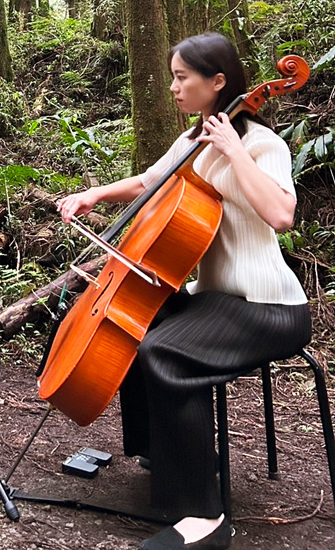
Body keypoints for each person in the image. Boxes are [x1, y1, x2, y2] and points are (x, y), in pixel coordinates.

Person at [56, 33, 310, 550]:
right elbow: (151, 180)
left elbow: (281, 215)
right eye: (173, 76)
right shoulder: (192, 140)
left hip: (268, 308)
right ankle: (165, 453)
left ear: (217, 82)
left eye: (182, 77)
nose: (173, 87)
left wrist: (235, 151)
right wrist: (94, 194)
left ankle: (206, 517)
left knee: (164, 354)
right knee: (134, 324)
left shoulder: (262, 144)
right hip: (216, 297)